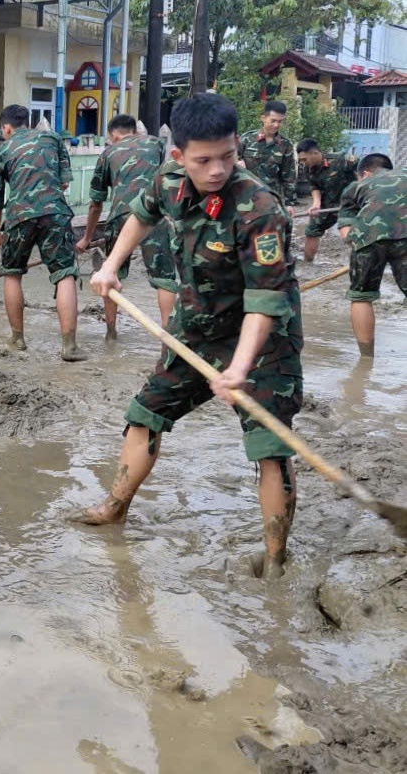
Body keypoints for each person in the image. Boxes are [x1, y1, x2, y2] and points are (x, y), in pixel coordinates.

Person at [81, 93, 303, 581]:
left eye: (227, 155)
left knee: (270, 446)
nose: (218, 169)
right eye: (204, 160)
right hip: (197, 325)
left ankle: (274, 559)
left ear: (237, 145)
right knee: (145, 415)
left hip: (263, 339)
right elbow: (142, 214)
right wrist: (112, 266)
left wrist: (238, 370)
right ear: (179, 155)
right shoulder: (168, 179)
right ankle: (114, 507)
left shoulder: (259, 207)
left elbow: (265, 300)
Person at [0, 104, 86, 361]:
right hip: (55, 212)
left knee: (12, 274)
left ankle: (17, 339)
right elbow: (64, 182)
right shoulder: (52, 139)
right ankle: (70, 346)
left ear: (7, 127)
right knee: (64, 274)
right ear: (26, 122)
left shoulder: (1, 152)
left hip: (19, 217)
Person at [77, 113, 179, 338]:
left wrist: (86, 238)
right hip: (155, 214)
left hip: (120, 215)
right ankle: (169, 337)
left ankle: (111, 333)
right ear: (135, 130)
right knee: (165, 279)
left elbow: (96, 203)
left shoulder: (108, 153)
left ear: (112, 135)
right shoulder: (156, 144)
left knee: (111, 274)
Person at [337, 152, 407, 358]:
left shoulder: (356, 186)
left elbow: (346, 231)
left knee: (361, 296)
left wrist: (358, 246)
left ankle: (366, 360)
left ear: (365, 173)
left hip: (368, 236)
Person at [238, 100, 297, 256]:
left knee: (276, 233)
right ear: (263, 118)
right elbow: (229, 161)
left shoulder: (285, 145)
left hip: (271, 197)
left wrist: (290, 203)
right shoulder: (246, 139)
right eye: (273, 120)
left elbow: (289, 176)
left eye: (280, 121)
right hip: (246, 198)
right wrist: (237, 162)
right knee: (246, 234)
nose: (276, 125)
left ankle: (280, 262)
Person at [296, 139, 358, 263]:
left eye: (304, 159)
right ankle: (308, 264)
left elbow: (365, 172)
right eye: (300, 160)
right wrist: (316, 204)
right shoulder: (308, 168)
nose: (302, 163)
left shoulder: (342, 160)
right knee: (312, 230)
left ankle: (362, 259)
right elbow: (314, 187)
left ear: (315, 153)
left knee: (349, 232)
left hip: (350, 204)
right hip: (327, 204)